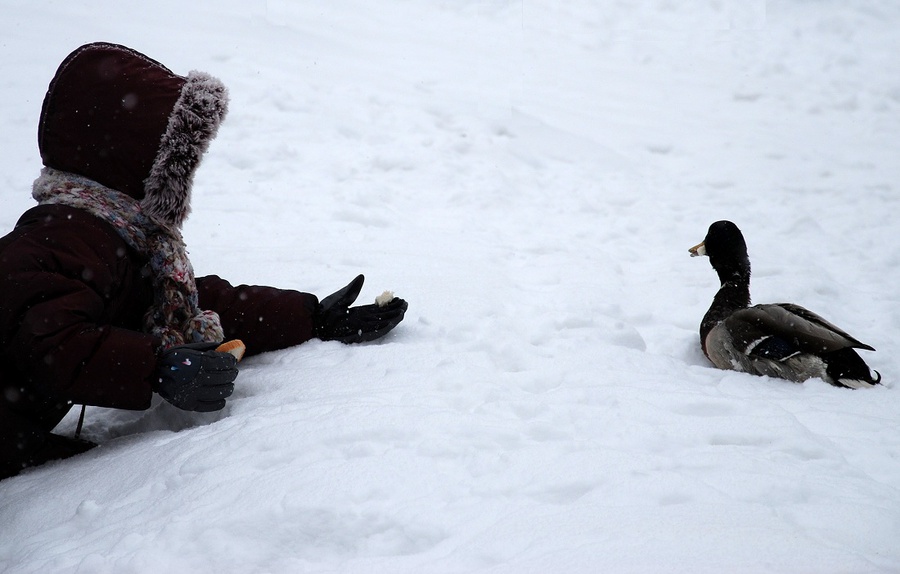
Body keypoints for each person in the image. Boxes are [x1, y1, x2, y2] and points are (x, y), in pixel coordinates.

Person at [0, 42, 408, 480]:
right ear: (132, 160)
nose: (185, 178)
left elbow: (189, 305)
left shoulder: (112, 232)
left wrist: (309, 317)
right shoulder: (60, 236)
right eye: (176, 163)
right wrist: (155, 365)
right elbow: (49, 342)